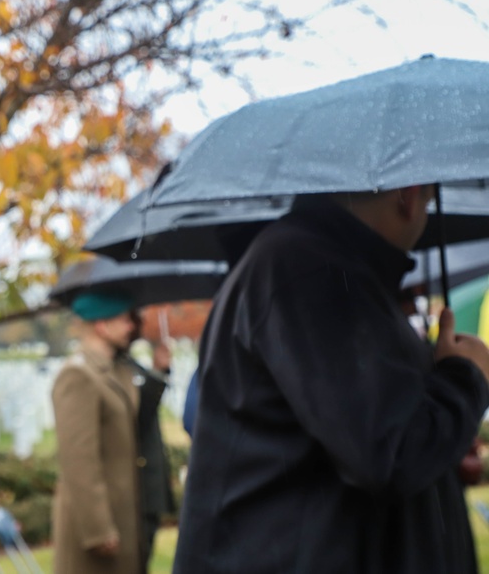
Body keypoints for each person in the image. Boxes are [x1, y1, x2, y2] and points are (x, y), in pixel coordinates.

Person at [173, 188, 489, 573]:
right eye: (427, 202)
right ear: (408, 197)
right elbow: (390, 452)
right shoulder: (306, 270)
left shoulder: (327, 269)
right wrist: (465, 377)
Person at [51, 291, 146, 574]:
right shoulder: (78, 375)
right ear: (102, 325)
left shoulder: (111, 370)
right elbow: (78, 458)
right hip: (95, 527)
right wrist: (98, 529)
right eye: (124, 319)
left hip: (120, 513)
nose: (132, 326)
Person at [133, 305, 177, 569]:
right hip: (137, 487)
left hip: (149, 486)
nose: (133, 325)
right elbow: (139, 416)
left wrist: (159, 369)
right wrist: (157, 372)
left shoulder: (129, 363)